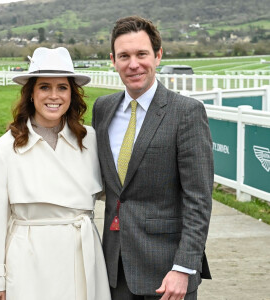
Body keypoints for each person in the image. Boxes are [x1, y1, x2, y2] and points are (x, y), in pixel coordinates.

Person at [92, 16, 214, 300]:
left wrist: (183, 267)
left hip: (167, 273)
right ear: (113, 60)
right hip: (115, 266)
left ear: (158, 56)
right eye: (124, 56)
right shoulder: (103, 108)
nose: (133, 64)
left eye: (141, 54)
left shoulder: (186, 112)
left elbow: (199, 198)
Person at [0, 47, 111, 300]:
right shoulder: (6, 148)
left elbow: (118, 192)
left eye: (62, 87)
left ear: (72, 93)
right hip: (29, 260)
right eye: (44, 87)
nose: (54, 95)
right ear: (30, 94)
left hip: (82, 254)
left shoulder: (90, 139)